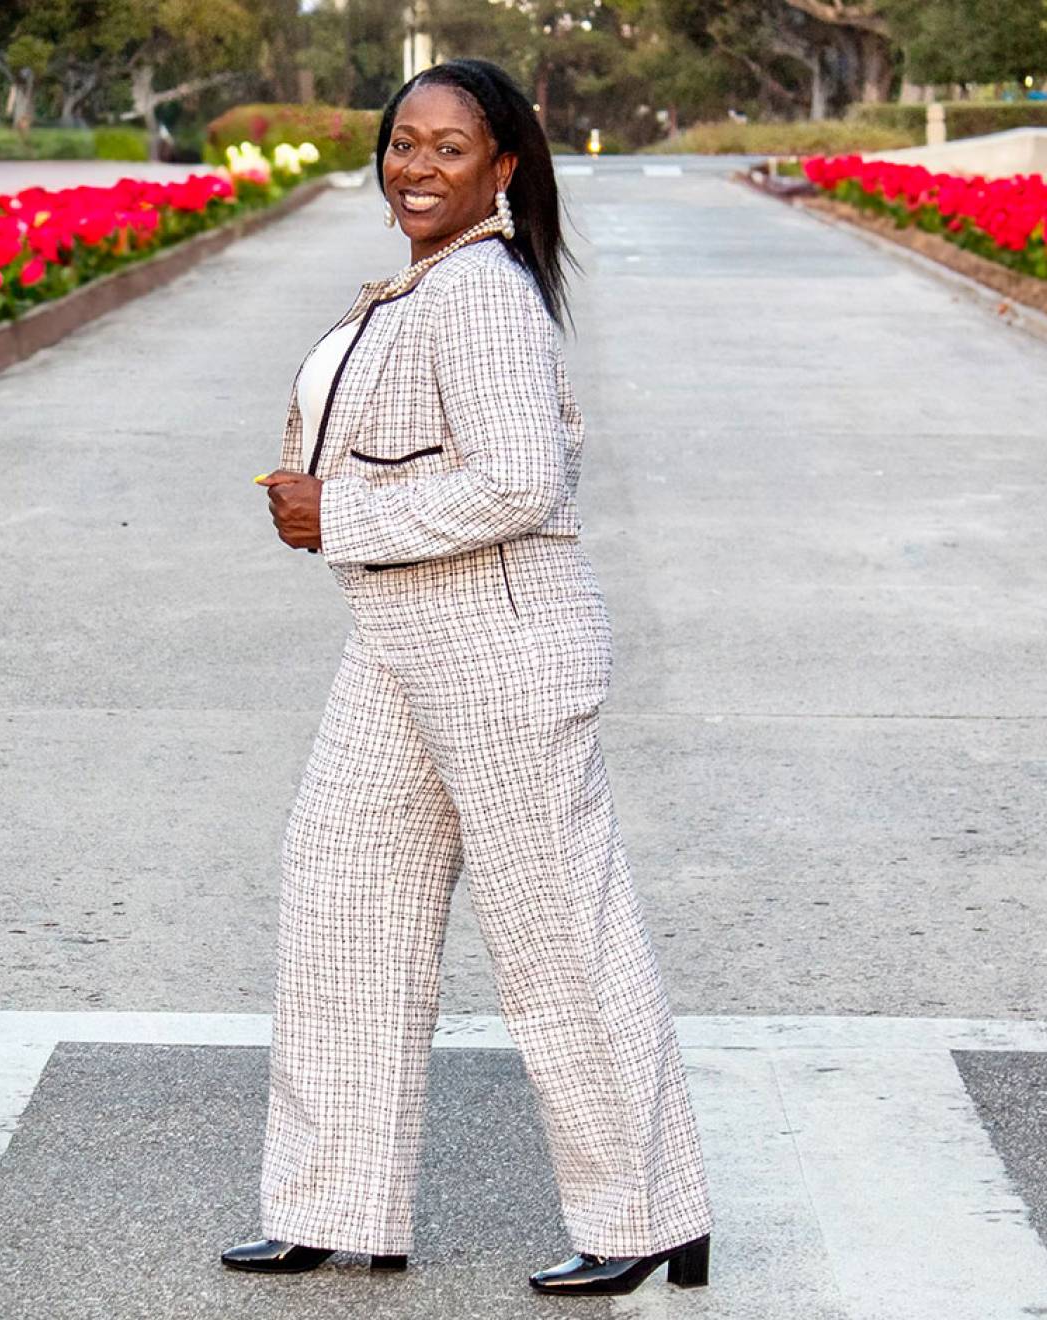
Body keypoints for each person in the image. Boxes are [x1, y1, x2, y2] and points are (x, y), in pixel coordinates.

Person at [221, 57, 714, 1297]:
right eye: (402, 144)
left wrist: (343, 512)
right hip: (398, 642)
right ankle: (337, 1201)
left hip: (498, 648)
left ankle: (648, 1213)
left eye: (449, 148)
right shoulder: (420, 284)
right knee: (341, 894)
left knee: (557, 936)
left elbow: (519, 484)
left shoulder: (485, 293)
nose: (417, 167)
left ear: (504, 167)